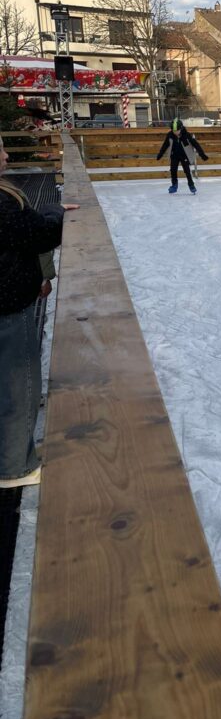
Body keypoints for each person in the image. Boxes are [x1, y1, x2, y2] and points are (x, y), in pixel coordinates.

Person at [0, 134, 79, 488]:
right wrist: (56, 211)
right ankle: (15, 467)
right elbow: (40, 234)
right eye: (0, 150)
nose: (5, 156)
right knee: (20, 387)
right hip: (8, 306)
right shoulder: (2, 203)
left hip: (9, 301)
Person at [156, 118, 208, 194]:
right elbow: (165, 145)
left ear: (181, 128)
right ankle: (174, 185)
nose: (175, 132)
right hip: (174, 155)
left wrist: (202, 154)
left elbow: (195, 144)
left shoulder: (186, 135)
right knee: (173, 170)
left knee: (187, 171)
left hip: (184, 155)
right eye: (173, 131)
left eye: (177, 130)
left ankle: (191, 185)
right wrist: (160, 154)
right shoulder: (170, 135)